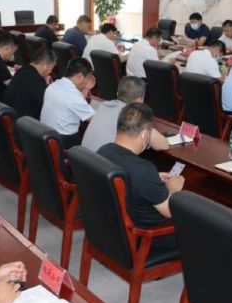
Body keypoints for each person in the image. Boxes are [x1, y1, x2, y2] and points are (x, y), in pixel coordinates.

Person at [97, 103, 185, 250]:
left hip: (112, 232)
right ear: (145, 136)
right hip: (149, 239)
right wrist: (173, 189)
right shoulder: (143, 170)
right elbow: (169, 211)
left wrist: (153, 179)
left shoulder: (103, 151)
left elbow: (128, 178)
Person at [82, 76, 170, 152]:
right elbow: (163, 145)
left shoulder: (103, 106)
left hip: (84, 161)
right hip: (105, 164)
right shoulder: (132, 116)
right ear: (140, 99)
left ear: (117, 93)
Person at [40, 57, 95, 148]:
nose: (87, 81)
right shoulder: (73, 97)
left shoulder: (53, 85)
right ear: (80, 76)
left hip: (46, 136)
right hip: (64, 142)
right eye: (88, 78)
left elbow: (76, 102)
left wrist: (86, 89)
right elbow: (95, 120)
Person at [3, 48, 57, 119]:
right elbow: (49, 107)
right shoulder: (37, 81)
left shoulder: (21, 71)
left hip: (11, 117)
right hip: (24, 122)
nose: (50, 71)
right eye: (52, 67)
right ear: (45, 66)